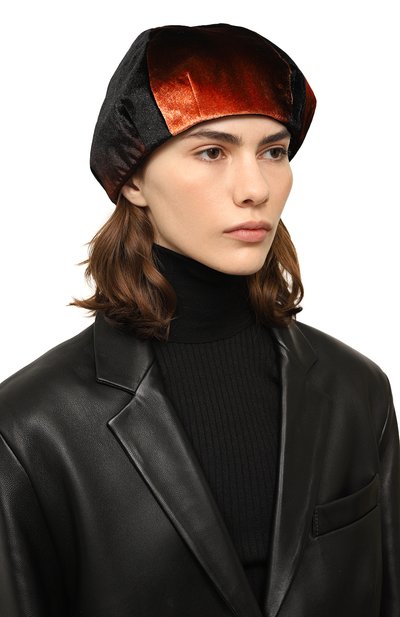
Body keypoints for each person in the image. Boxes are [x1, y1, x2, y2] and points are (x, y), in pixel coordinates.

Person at [0, 22, 398, 617]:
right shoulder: (31, 427)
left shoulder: (357, 389)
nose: (255, 188)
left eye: (274, 151)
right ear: (133, 178)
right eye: (212, 151)